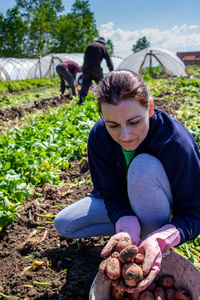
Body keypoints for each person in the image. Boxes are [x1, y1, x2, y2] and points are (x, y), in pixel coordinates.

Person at [54, 70, 200, 293]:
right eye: (113, 125)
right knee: (65, 223)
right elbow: (110, 194)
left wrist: (164, 238)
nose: (125, 136)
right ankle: (136, 233)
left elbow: (195, 213)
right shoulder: (99, 136)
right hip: (127, 200)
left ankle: (152, 239)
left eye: (134, 122)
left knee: (142, 167)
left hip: (162, 200)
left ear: (149, 109)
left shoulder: (175, 142)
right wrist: (124, 222)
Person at [79, 37, 114, 105]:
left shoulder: (90, 45)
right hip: (95, 67)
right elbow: (108, 60)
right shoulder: (103, 47)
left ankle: (81, 101)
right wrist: (112, 71)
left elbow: (85, 57)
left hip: (86, 67)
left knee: (85, 84)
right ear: (103, 43)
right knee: (101, 84)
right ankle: (105, 99)